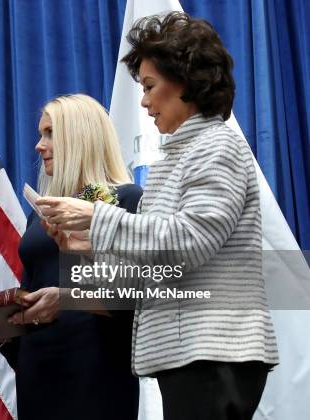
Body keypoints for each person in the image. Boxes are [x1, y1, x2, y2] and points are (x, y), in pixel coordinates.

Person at [33, 13, 279, 420]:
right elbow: (158, 275)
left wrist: (97, 219)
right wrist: (89, 248)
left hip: (213, 353)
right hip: (189, 357)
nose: (144, 101)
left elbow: (188, 242)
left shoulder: (217, 146)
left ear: (185, 81)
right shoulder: (180, 156)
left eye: (149, 86)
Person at [5, 94, 142, 419]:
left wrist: (66, 298)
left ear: (80, 137)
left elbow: (136, 298)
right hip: (37, 371)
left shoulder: (126, 200)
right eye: (41, 134)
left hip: (97, 369)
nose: (39, 145)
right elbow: (32, 296)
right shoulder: (39, 214)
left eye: (50, 133)